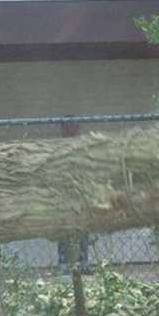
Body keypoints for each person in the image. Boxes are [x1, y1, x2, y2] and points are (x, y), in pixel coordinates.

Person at [57, 117, 90, 275]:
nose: (71, 129)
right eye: (67, 126)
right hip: (64, 195)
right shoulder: (57, 149)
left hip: (80, 194)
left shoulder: (83, 148)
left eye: (74, 126)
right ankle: (63, 264)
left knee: (83, 229)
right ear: (62, 129)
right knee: (63, 230)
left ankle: (84, 263)